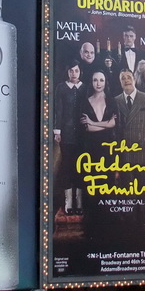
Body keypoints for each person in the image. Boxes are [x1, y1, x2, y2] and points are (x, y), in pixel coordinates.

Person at [114, 69, 145, 237]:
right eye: (123, 78)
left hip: (144, 153)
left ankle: (144, 225)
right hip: (125, 153)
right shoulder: (116, 101)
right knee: (127, 191)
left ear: (134, 80)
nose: (126, 80)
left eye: (129, 77)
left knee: (144, 191)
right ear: (120, 82)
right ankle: (129, 225)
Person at [79, 70, 118, 235]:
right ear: (91, 82)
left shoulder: (112, 101)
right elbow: (86, 128)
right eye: (95, 80)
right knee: (92, 187)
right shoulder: (85, 102)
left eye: (101, 80)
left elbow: (113, 124)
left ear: (105, 82)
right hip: (91, 150)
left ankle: (108, 225)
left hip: (108, 149)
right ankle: (91, 227)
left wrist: (94, 122)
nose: (98, 83)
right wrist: (103, 124)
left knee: (108, 185)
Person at [53, 59, 87, 216]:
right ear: (67, 72)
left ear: (80, 72)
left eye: (77, 71)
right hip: (66, 133)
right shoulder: (61, 88)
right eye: (71, 71)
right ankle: (68, 202)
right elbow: (58, 110)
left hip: (82, 134)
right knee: (67, 166)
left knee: (80, 167)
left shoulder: (85, 88)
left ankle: (79, 201)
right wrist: (57, 131)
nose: (74, 74)